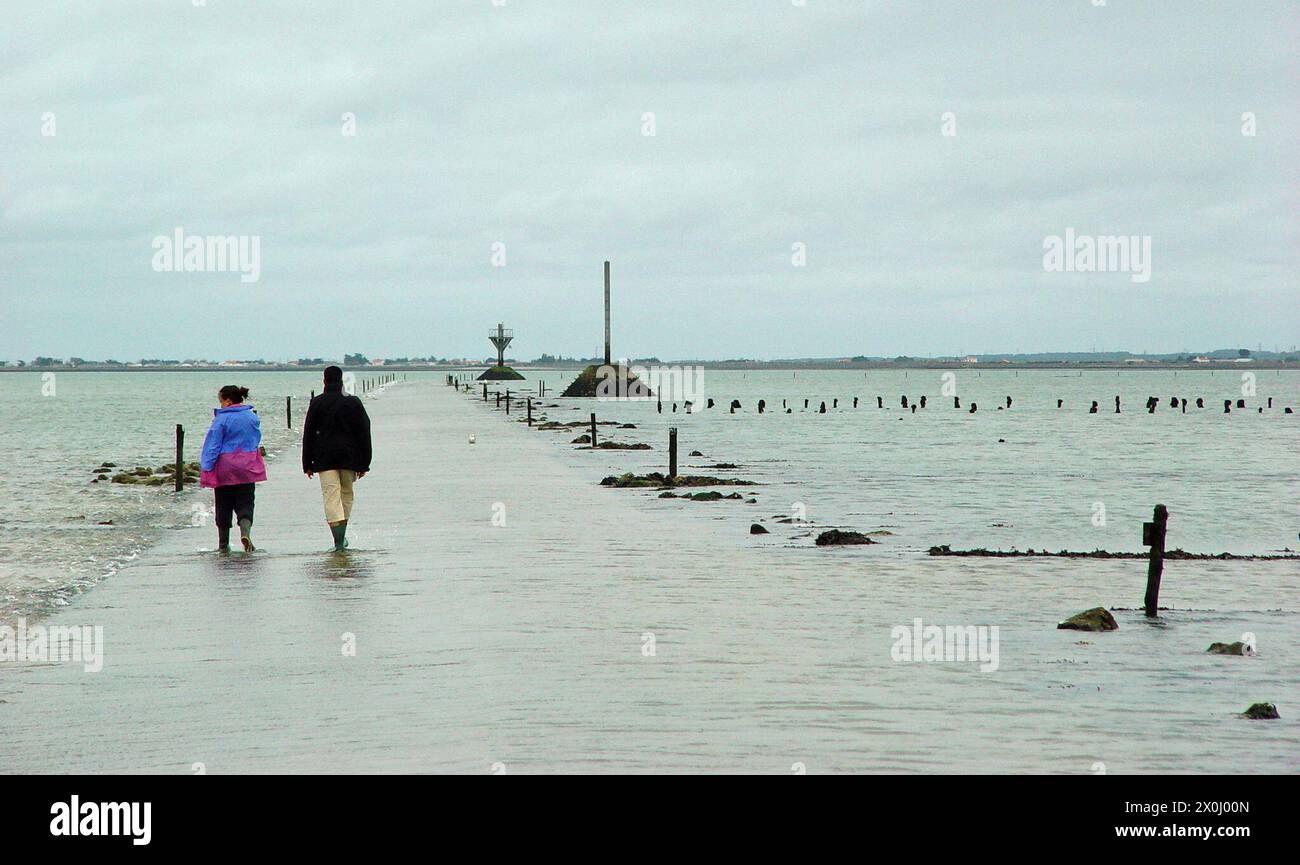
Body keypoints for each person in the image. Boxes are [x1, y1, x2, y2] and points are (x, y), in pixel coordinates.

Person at [302, 366, 372, 552]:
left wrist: (307, 463)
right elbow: (364, 432)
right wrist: (365, 462)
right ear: (341, 380)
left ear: (324, 381)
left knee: (331, 496)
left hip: (323, 458)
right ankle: (341, 537)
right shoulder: (353, 402)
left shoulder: (317, 402)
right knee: (346, 494)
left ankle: (338, 541)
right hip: (350, 456)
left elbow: (308, 433)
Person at [199, 385, 268, 552]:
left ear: (228, 401)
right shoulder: (252, 417)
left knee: (223, 503)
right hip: (247, 465)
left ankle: (223, 545)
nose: (220, 405)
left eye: (221, 401)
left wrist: (206, 466)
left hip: (225, 466)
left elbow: (214, 445)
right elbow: (256, 439)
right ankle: (245, 532)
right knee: (246, 502)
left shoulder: (221, 420)